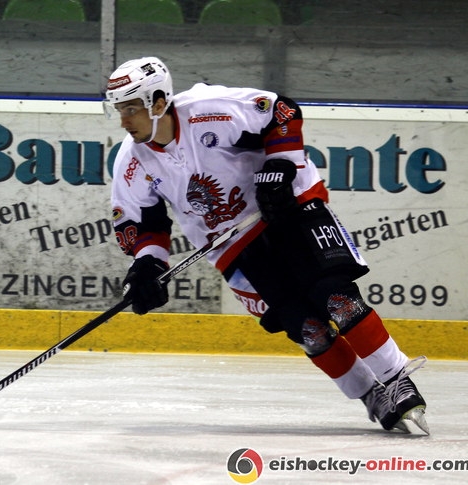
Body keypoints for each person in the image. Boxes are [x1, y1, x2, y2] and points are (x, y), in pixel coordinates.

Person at [104, 56, 428, 433]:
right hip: (232, 244)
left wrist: (281, 165)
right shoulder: (132, 162)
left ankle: (396, 379)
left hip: (287, 206)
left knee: (336, 297)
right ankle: (371, 394)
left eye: (131, 109)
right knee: (308, 328)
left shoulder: (209, 110)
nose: (124, 121)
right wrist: (148, 265)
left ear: (159, 103)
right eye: (119, 110)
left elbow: (281, 111)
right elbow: (143, 222)